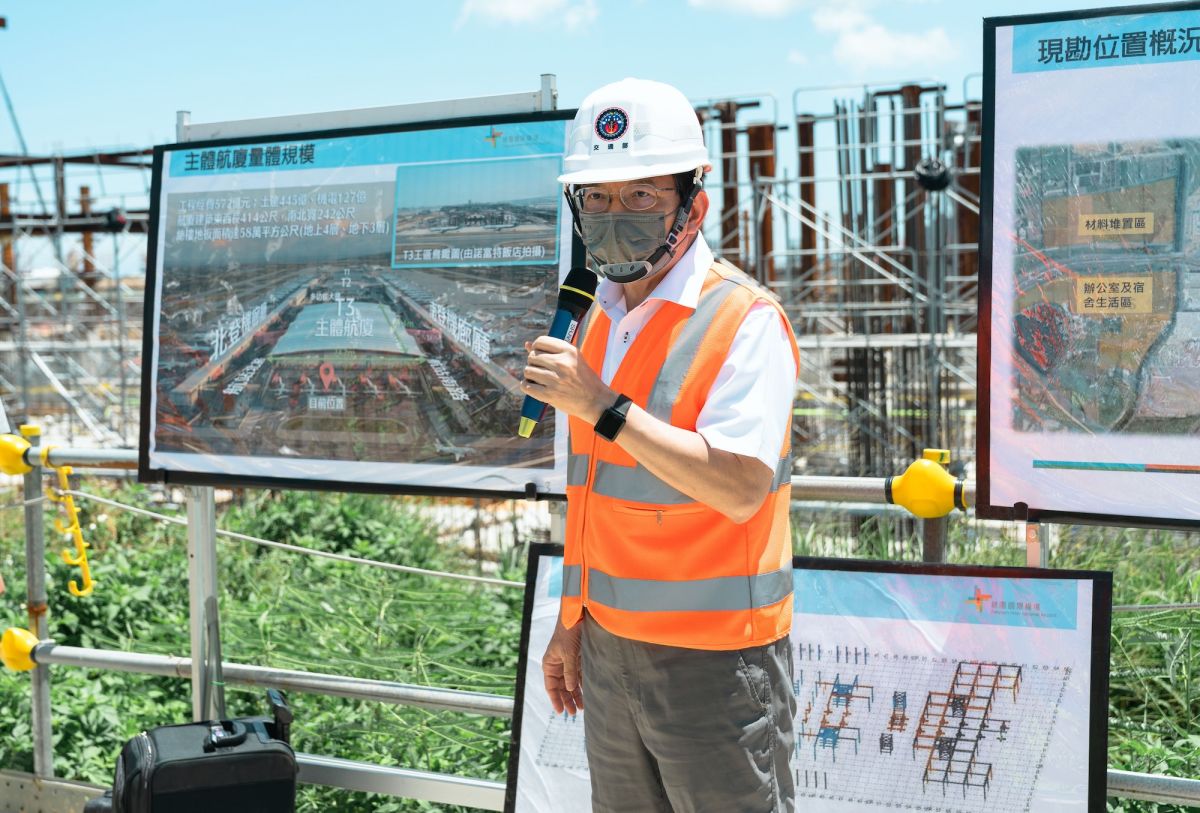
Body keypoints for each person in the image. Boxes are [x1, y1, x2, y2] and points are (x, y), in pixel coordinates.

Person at [520, 78, 800, 813]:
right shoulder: (598, 318)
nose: (616, 217)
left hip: (716, 662)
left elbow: (740, 487)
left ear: (693, 207)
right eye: (598, 199)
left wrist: (602, 405)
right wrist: (571, 622)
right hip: (610, 651)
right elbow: (595, 497)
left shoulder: (745, 320)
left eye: (641, 197)